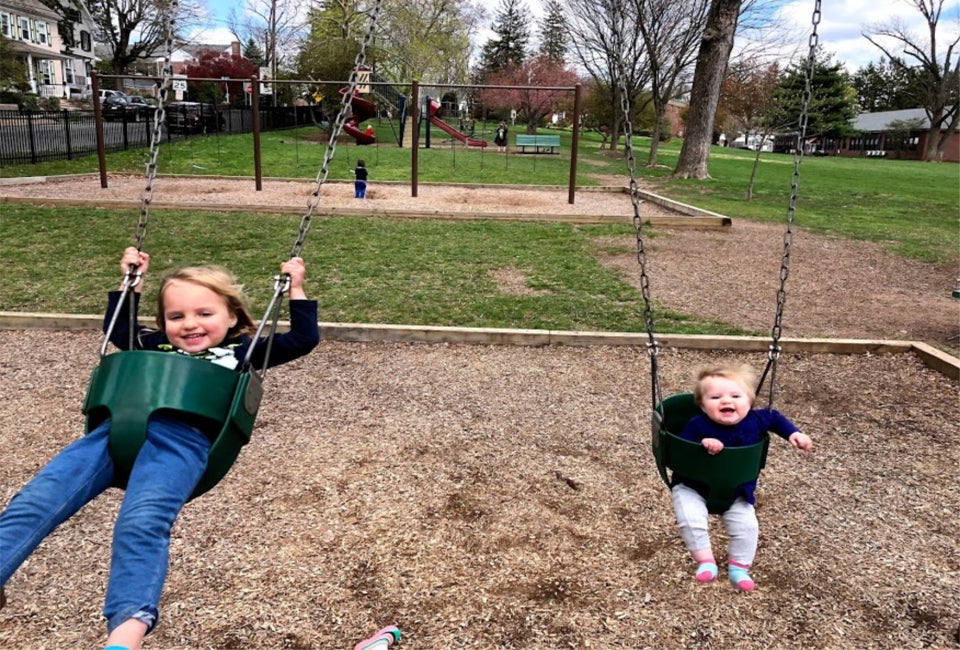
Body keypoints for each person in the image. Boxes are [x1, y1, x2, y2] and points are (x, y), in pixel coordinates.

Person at [0, 247, 320, 650]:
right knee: (35, 500)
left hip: (180, 443)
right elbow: (118, 327)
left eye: (205, 313)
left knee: (141, 523)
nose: (190, 324)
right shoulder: (150, 344)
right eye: (176, 316)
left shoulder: (243, 351)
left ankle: (125, 632)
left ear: (232, 317)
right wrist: (131, 281)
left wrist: (295, 288)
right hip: (113, 433)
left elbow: (304, 339)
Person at [671, 364, 813, 592]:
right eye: (715, 397)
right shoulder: (697, 424)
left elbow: (775, 418)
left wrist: (794, 433)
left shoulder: (757, 419)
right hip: (692, 487)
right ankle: (705, 561)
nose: (726, 401)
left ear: (750, 401)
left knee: (748, 528)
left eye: (736, 396)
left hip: (737, 491)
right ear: (703, 405)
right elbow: (681, 445)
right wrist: (702, 442)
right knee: (690, 518)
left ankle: (739, 569)